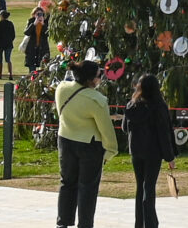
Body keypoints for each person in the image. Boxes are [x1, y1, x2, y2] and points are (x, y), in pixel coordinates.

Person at [56, 59, 119, 227]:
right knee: (87, 188)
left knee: (67, 183)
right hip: (89, 145)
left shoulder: (62, 88)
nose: (101, 78)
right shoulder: (96, 99)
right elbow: (106, 130)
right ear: (91, 79)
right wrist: (111, 150)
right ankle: (85, 224)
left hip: (65, 139)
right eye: (99, 75)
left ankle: (63, 223)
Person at [124, 72, 176, 228]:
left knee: (140, 187)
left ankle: (139, 223)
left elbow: (124, 127)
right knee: (149, 188)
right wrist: (170, 156)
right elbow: (164, 133)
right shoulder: (159, 106)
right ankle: (150, 223)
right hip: (153, 152)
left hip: (136, 151)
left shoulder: (132, 104)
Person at [23, 7, 50, 72]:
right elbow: (27, 32)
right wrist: (34, 24)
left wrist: (43, 24)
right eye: (37, 14)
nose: (39, 16)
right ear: (34, 14)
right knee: (32, 70)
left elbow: (48, 34)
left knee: (42, 69)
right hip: (32, 48)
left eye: (41, 14)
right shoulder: (31, 21)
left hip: (42, 48)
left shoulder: (46, 21)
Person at [0, 7, 17, 77]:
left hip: (0, 45)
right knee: (8, 59)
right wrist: (10, 40)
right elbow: (13, 35)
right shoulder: (10, 24)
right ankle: (10, 74)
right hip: (9, 44)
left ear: (1, 16)